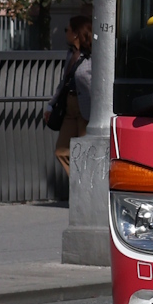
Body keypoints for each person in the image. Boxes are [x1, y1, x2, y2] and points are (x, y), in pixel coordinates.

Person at [48, 12, 93, 199]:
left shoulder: (93, 56)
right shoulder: (70, 54)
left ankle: (88, 193)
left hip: (87, 108)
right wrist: (51, 105)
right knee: (62, 150)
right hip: (69, 106)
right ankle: (82, 185)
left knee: (85, 152)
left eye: (67, 29)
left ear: (76, 33)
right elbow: (63, 82)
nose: (65, 32)